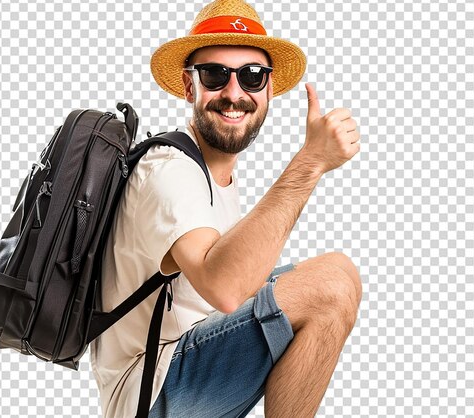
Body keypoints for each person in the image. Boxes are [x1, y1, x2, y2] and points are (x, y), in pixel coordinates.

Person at [90, 0, 362, 417]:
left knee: (313, 280)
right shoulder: (169, 170)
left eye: (252, 76)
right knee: (333, 282)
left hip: (178, 371)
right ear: (188, 86)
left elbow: (233, 286)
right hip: (151, 394)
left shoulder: (212, 175)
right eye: (215, 75)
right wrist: (311, 162)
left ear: (269, 90)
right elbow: (225, 287)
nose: (234, 93)